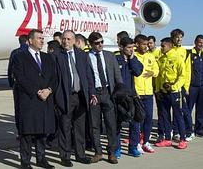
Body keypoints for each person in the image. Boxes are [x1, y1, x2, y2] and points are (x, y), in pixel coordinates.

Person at [12, 29, 58, 169]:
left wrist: (49, 90)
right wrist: (37, 91)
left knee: (42, 132)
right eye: (39, 38)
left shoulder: (47, 57)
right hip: (29, 100)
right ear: (30, 41)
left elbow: (54, 77)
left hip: (45, 100)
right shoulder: (20, 57)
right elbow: (20, 78)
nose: (42, 41)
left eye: (43, 38)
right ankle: (25, 162)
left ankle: (41, 158)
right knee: (27, 133)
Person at [53, 30, 94, 167]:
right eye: (64, 39)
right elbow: (54, 79)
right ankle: (65, 156)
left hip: (80, 96)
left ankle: (80, 154)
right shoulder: (56, 56)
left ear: (74, 40)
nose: (65, 42)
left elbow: (88, 75)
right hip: (66, 96)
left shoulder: (82, 55)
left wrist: (91, 93)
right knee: (64, 127)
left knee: (79, 127)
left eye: (69, 39)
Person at [87, 32, 123, 164]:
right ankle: (98, 152)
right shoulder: (86, 57)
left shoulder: (109, 56)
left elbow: (117, 76)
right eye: (97, 43)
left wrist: (119, 93)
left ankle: (112, 152)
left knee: (111, 125)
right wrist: (91, 93)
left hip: (108, 93)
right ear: (90, 44)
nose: (100, 45)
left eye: (101, 42)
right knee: (94, 125)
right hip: (94, 95)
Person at [155, 37, 188, 150]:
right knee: (165, 116)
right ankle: (168, 139)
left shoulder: (177, 58)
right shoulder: (161, 59)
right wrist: (158, 90)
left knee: (178, 116)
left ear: (170, 46)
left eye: (163, 46)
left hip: (174, 92)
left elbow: (182, 76)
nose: (161, 48)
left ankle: (183, 139)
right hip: (163, 92)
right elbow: (159, 76)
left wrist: (173, 86)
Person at [114, 36, 143, 158]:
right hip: (119, 97)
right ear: (121, 47)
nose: (132, 50)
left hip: (131, 96)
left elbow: (138, 72)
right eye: (129, 47)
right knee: (117, 124)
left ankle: (133, 147)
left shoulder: (133, 59)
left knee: (135, 123)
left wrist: (132, 59)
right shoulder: (115, 59)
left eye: (133, 47)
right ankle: (117, 149)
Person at [132, 34, 158, 156]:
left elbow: (157, 70)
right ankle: (136, 143)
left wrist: (152, 72)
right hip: (137, 93)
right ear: (137, 44)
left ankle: (146, 141)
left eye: (147, 44)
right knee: (138, 120)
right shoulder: (133, 56)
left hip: (148, 92)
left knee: (148, 119)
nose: (146, 46)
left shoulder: (150, 56)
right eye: (143, 44)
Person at [170, 29, 193, 141]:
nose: (179, 39)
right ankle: (176, 131)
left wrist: (186, 87)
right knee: (175, 110)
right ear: (173, 38)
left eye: (181, 37)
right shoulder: (169, 50)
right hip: (171, 86)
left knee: (184, 109)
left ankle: (189, 131)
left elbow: (188, 71)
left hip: (181, 86)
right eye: (177, 37)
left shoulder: (185, 52)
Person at [188, 34, 203, 137]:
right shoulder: (189, 54)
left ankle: (199, 129)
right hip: (192, 87)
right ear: (195, 42)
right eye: (199, 42)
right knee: (188, 109)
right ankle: (187, 129)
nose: (201, 45)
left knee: (201, 109)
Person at [8, 35, 29, 137]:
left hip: (17, 85)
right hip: (29, 86)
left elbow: (10, 69)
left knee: (18, 109)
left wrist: (11, 82)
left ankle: (20, 131)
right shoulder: (30, 52)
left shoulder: (15, 53)